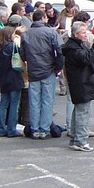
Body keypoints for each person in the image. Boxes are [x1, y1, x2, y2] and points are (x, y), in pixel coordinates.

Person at [20, 9, 63, 140]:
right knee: (47, 101)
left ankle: (34, 128)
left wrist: (29, 61)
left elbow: (22, 53)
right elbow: (60, 50)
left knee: (34, 101)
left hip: (33, 70)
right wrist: (58, 66)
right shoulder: (50, 32)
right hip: (48, 69)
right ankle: (44, 129)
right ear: (44, 18)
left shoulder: (26, 34)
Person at [62, 21, 94, 152]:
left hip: (80, 81)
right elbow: (85, 59)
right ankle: (80, 141)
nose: (86, 35)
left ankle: (75, 138)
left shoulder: (75, 46)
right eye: (83, 33)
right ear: (76, 34)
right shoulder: (73, 48)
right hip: (81, 83)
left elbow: (84, 61)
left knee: (79, 110)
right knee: (82, 112)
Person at [0, 26, 23, 138]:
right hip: (14, 77)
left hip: (3, 78)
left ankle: (1, 129)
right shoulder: (13, 47)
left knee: (3, 103)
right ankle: (11, 129)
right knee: (14, 105)